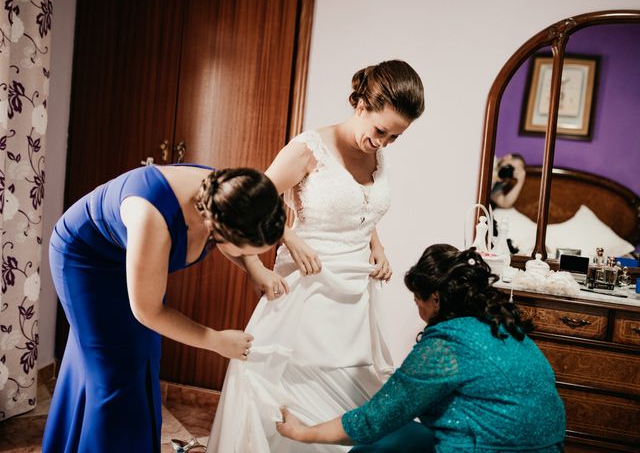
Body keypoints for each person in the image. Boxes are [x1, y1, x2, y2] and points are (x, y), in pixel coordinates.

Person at [207, 60, 425, 452]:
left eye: (395, 137)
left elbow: (359, 204)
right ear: (361, 104)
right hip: (306, 287)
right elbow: (252, 203)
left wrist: (376, 242)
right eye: (380, 131)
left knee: (352, 386)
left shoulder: (377, 154)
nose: (383, 143)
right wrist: (287, 236)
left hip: (355, 293)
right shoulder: (309, 149)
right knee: (289, 384)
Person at [42, 164, 286, 452]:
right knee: (113, 374)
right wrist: (216, 340)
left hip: (133, 255)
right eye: (246, 249)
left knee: (142, 357)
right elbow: (148, 312)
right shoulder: (154, 217)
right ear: (220, 229)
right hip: (86, 260)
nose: (249, 256)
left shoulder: (230, 194)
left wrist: (255, 268)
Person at [276, 244, 566, 452]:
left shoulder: (446, 346)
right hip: (548, 446)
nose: (417, 308)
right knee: (404, 434)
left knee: (370, 447)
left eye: (418, 301)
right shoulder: (501, 326)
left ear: (436, 299)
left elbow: (372, 420)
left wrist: (304, 433)